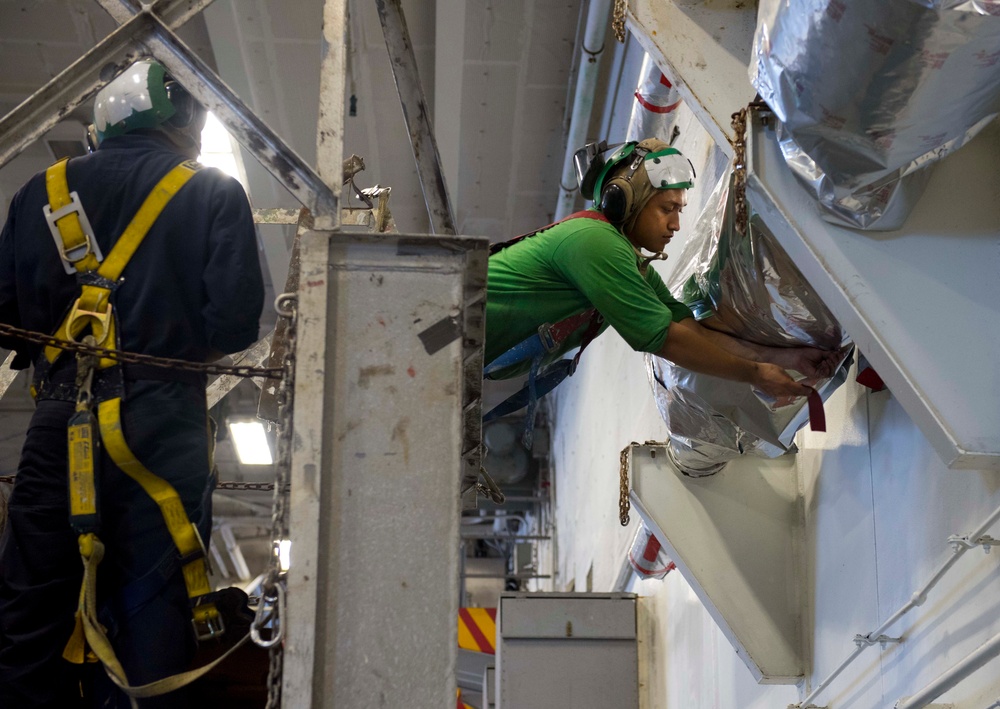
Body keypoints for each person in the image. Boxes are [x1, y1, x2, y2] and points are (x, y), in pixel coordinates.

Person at [0, 58, 264, 708]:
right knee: (153, 612)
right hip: (162, 429)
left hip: (57, 427)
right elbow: (232, 323)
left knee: (28, 620)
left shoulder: (41, 191)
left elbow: (8, 322)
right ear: (185, 126)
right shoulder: (213, 192)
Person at [485, 138, 839, 414]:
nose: (676, 224)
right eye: (667, 209)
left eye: (679, 210)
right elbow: (667, 340)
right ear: (621, 200)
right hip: (447, 332)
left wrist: (788, 359)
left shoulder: (630, 264)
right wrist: (755, 374)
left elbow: (690, 331)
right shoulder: (593, 243)